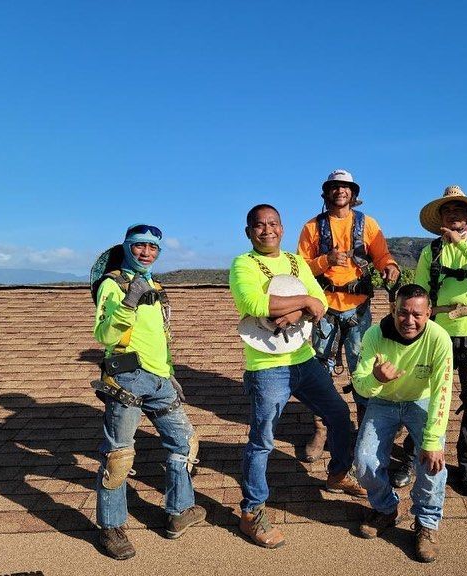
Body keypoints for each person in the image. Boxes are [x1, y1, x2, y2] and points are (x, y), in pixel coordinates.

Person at [229, 204, 367, 549]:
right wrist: (301, 301)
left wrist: (295, 308)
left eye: (273, 223)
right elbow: (253, 303)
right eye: (259, 225)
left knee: (338, 414)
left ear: (282, 228)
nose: (267, 230)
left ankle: (337, 474)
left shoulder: (294, 260)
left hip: (303, 359)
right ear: (249, 231)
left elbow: (320, 303)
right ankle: (251, 512)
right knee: (263, 439)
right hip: (266, 366)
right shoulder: (243, 264)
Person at [92, 224, 205, 560]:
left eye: (153, 248)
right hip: (126, 377)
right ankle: (111, 527)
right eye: (139, 246)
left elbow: (161, 335)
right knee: (119, 456)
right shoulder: (113, 284)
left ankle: (179, 511)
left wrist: (169, 374)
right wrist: (129, 301)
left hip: (158, 378)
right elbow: (105, 335)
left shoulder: (156, 286)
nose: (146, 252)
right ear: (127, 247)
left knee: (184, 442)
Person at [297, 169, 400, 462]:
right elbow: (301, 268)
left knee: (362, 367)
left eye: (345, 187)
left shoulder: (368, 224)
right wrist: (325, 260)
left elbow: (382, 255)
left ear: (353, 194)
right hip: (323, 307)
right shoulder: (311, 228)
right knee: (320, 369)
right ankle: (322, 428)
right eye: (334, 186)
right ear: (326, 193)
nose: (340, 191)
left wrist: (389, 267)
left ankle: (365, 428)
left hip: (358, 308)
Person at [411, 185, 467, 497]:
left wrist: (460, 245)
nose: (453, 214)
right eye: (447, 210)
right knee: (423, 398)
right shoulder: (430, 251)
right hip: (437, 336)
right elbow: (419, 291)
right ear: (441, 216)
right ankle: (414, 459)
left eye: (459, 209)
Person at [352, 284, 453, 563]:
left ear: (429, 313)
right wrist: (377, 379)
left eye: (417, 315)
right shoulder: (375, 335)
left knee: (433, 461)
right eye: (403, 313)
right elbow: (359, 385)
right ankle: (386, 508)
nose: (409, 320)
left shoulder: (439, 339)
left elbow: (443, 392)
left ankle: (427, 524)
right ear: (393, 310)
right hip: (383, 400)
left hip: (422, 399)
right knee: (363, 461)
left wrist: (433, 441)